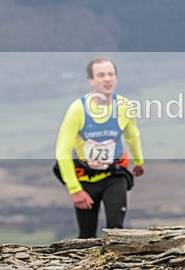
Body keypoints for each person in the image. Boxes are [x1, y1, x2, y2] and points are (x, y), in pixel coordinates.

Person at [54, 57, 146, 238]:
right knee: (86, 236)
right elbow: (62, 151)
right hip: (85, 179)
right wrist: (75, 190)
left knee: (116, 231)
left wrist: (138, 161)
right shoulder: (78, 109)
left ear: (116, 78)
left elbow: (132, 136)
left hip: (114, 175)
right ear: (91, 81)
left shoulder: (125, 107)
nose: (107, 79)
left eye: (111, 74)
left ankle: (114, 266)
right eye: (101, 75)